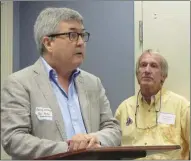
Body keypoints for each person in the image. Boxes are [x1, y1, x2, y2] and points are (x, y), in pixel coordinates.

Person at [1, 7, 121, 160]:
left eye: (82, 35)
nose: (81, 42)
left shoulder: (93, 83)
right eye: (72, 35)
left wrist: (95, 139)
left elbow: (113, 129)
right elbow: (14, 139)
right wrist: (70, 148)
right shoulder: (19, 83)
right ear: (48, 43)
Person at [115, 49, 190, 160]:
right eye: (143, 65)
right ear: (137, 74)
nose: (147, 70)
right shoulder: (124, 108)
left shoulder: (181, 106)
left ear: (163, 76)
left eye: (154, 66)